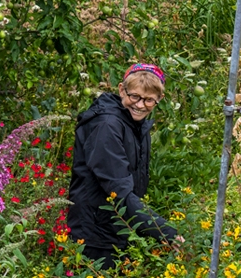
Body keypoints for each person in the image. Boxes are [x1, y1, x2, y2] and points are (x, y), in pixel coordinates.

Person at [67, 63, 180, 268]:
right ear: (121, 89)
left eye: (148, 100)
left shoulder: (134, 123)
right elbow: (119, 190)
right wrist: (167, 234)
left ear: (159, 100)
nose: (139, 105)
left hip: (117, 226)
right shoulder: (107, 126)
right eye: (134, 96)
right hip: (96, 233)